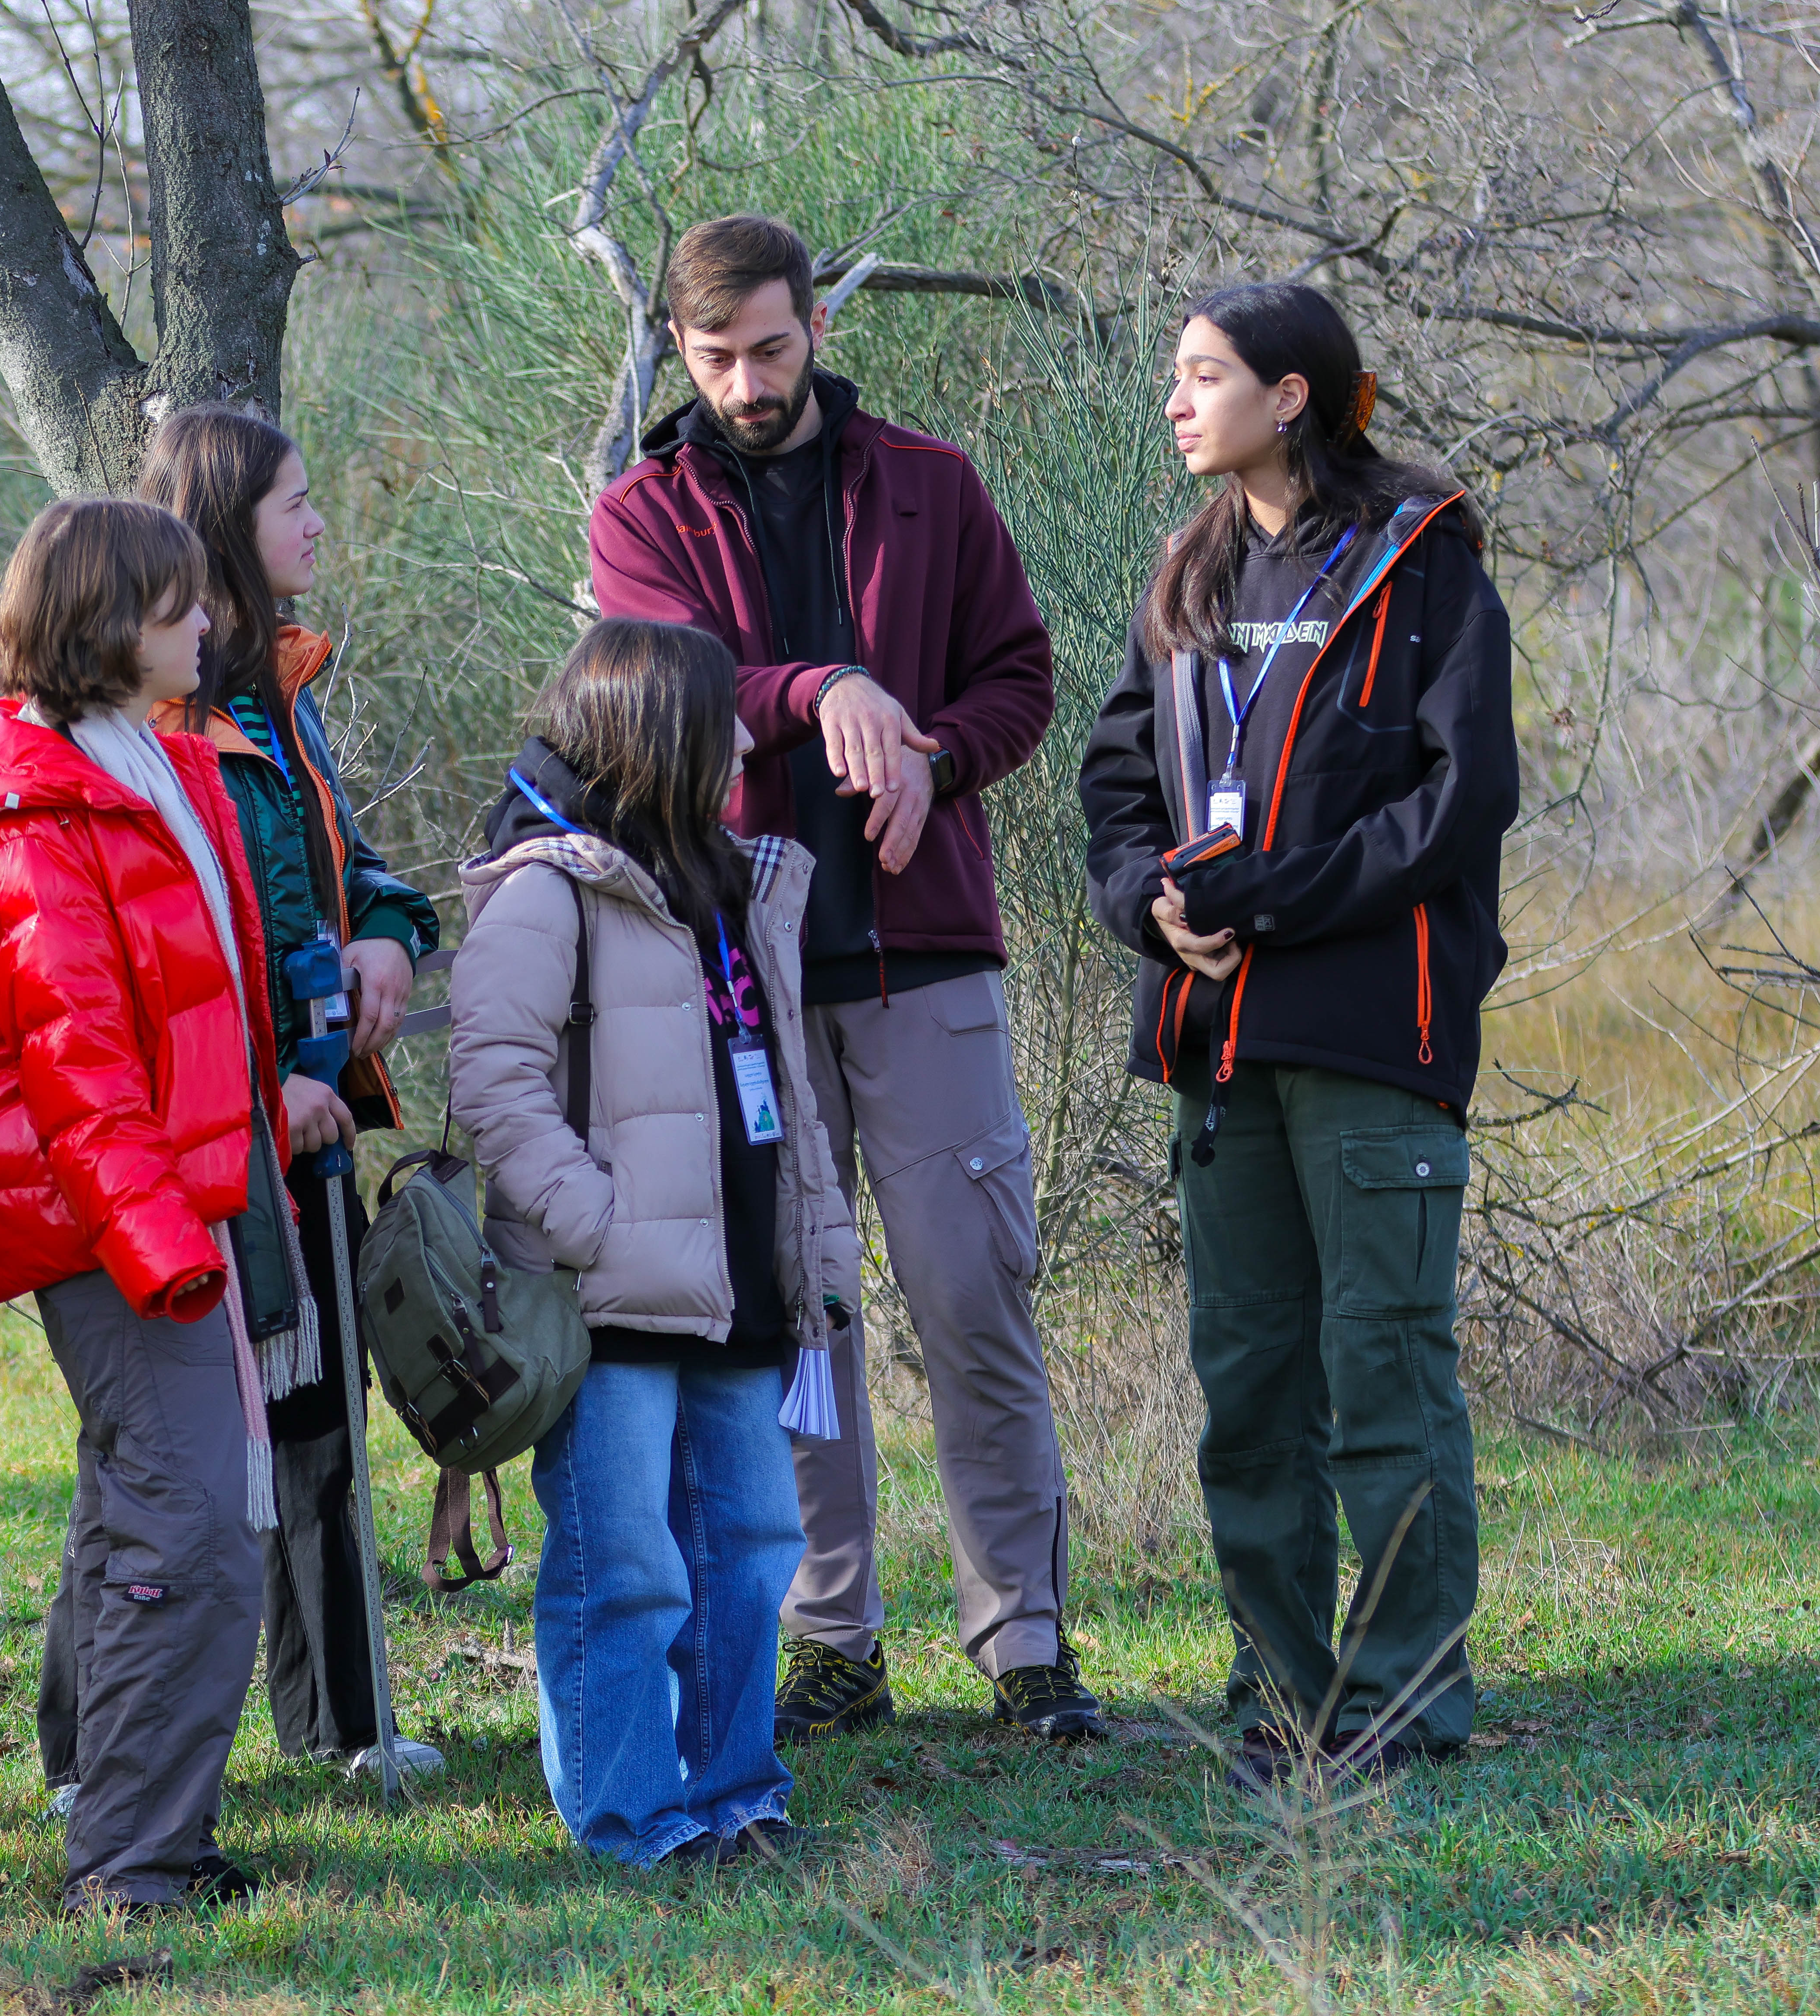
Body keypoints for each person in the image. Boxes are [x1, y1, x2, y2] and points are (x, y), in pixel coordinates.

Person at [588, 212, 1098, 1744]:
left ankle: (1026, 1644)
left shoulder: (935, 483)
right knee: (801, 1316)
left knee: (972, 1294)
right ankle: (832, 1639)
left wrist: (937, 756)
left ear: (818, 327)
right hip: (743, 967)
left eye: (772, 349)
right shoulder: (641, 513)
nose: (748, 384)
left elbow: (1021, 678)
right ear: (679, 350)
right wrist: (827, 689)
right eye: (716, 357)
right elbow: (666, 694)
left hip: (925, 952)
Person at [1080, 283, 1513, 1789]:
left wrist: (1268, 897)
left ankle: (1400, 1706)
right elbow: (1117, 786)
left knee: (1383, 1369)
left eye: (1204, 376)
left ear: (1291, 397)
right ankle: (1282, 1691)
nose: (1176, 402)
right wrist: (1153, 906)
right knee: (1253, 1385)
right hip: (1218, 1042)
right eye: (1176, 374)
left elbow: (1462, 801)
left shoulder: (1421, 555)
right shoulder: (1188, 569)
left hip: (1373, 1029)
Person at [20, 407, 441, 1791]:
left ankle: (345, 1729)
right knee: (161, 1448)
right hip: (220, 1139)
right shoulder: (156, 724)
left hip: (310, 1115)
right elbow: (186, 958)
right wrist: (270, 1090)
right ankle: (84, 1752)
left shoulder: (280, 692)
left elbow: (346, 871)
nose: (318, 522)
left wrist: (391, 935)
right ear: (223, 530)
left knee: (320, 1415)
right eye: (293, 503)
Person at [0, 498, 289, 1915]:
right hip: (122, 1230)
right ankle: (130, 1859)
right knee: (186, 1534)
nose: (209, 623)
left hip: (176, 1208)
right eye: (183, 605)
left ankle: (144, 1824)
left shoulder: (152, 767)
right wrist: (167, 1251)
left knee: (160, 1519)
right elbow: (78, 1071)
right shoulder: (39, 819)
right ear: (112, 624)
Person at [446, 616, 860, 1864]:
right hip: (609, 1305)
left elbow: (792, 1097)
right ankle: (630, 1818)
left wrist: (816, 1254)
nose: (745, 742)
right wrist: (601, 1228)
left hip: (742, 1293)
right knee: (623, 1568)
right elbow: (495, 1085)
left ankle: (738, 1794)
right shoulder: (547, 888)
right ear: (655, 732)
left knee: (751, 1552)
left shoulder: (737, 885)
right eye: (721, 719)